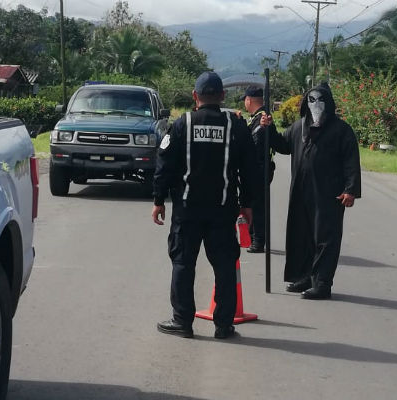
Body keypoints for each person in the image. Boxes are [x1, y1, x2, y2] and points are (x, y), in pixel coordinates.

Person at [152, 71, 258, 339]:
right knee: (224, 265)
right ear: (223, 96)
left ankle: (182, 322)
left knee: (183, 264)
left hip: (187, 211)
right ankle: (224, 325)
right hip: (223, 210)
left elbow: (164, 165)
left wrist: (158, 200)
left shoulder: (182, 124)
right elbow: (250, 169)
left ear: (195, 96)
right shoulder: (236, 126)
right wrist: (247, 204)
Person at [262, 82, 361, 300]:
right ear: (306, 103)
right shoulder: (299, 127)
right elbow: (282, 145)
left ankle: (322, 283)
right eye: (312, 100)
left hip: (328, 194)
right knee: (301, 235)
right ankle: (304, 277)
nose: (316, 104)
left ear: (329, 103)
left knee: (325, 238)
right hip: (300, 191)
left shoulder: (341, 130)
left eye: (321, 100)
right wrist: (268, 127)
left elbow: (351, 162)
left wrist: (350, 189)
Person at [239, 86, 277, 253]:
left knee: (258, 207)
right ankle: (254, 236)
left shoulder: (262, 118)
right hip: (255, 169)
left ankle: (258, 240)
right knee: (252, 204)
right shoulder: (256, 117)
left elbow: (253, 142)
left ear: (248, 99)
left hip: (259, 169)